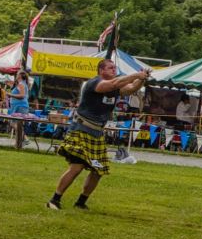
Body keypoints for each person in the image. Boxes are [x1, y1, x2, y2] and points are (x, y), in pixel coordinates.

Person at [46, 59, 149, 210]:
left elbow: (132, 88)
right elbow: (114, 83)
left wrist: (142, 78)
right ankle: (54, 200)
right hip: (81, 129)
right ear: (101, 70)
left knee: (98, 170)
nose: (114, 70)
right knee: (77, 167)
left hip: (97, 133)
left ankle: (81, 202)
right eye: (110, 68)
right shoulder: (95, 83)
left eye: (114, 68)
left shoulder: (115, 87)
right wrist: (136, 75)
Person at [8, 70, 31, 150]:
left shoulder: (21, 84)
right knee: (17, 125)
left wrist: (10, 94)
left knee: (13, 123)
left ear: (20, 76)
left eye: (17, 74)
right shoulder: (22, 84)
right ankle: (18, 144)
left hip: (20, 106)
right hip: (19, 106)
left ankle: (25, 138)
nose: (16, 75)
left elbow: (22, 96)